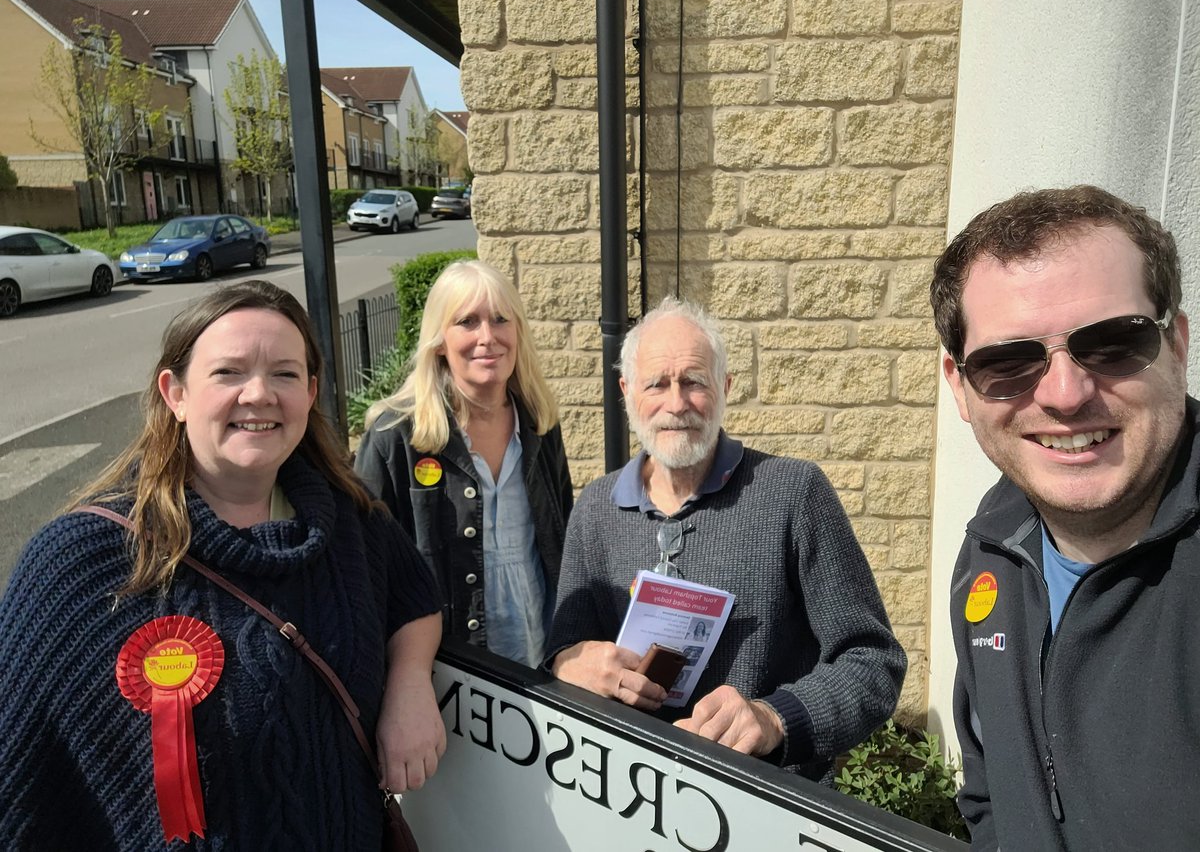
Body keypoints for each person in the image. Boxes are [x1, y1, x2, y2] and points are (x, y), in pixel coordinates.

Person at [0, 281, 445, 850]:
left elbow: (416, 599)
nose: (259, 393)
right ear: (175, 393)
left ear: (311, 393)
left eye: (285, 374)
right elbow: (22, 785)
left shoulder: (352, 523)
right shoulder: (80, 561)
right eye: (228, 372)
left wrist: (409, 685)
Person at [931, 185, 1200, 850]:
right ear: (959, 385)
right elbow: (991, 786)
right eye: (1007, 362)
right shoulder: (992, 546)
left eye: (1112, 343)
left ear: (1178, 345)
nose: (1064, 394)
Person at [546, 297, 906, 781]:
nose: (676, 404)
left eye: (694, 381)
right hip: (629, 801)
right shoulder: (595, 508)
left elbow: (873, 663)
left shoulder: (794, 493)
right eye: (657, 384)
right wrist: (569, 664)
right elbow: (563, 651)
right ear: (627, 391)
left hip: (763, 804)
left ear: (725, 387)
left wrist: (777, 718)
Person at [356, 260, 573, 668]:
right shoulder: (396, 437)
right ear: (439, 340)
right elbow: (364, 572)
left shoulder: (541, 426)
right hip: (447, 672)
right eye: (467, 322)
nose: (487, 337)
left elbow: (564, 540)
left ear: (518, 331)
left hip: (542, 657)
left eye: (500, 319)